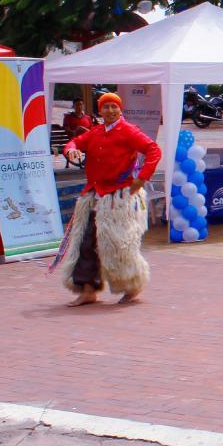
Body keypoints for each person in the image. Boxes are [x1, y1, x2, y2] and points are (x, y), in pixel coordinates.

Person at [53, 93, 161, 306]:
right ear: (100, 111)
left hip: (118, 197)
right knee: (85, 243)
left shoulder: (129, 131)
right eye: (106, 107)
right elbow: (74, 142)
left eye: (114, 107)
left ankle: (132, 285)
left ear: (120, 110)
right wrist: (71, 150)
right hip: (94, 195)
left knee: (119, 244)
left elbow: (153, 150)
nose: (110, 111)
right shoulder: (95, 133)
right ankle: (87, 289)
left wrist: (141, 179)